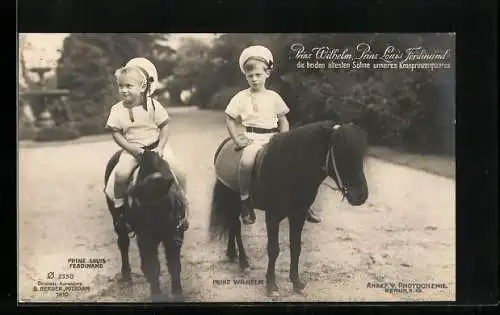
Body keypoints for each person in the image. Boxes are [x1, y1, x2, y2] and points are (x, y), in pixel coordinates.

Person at [225, 45, 321, 225]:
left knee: (296, 162)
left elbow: (283, 119)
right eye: (250, 76)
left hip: (274, 138)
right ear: (245, 76)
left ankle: (303, 202)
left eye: (258, 75)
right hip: (253, 138)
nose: (254, 79)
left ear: (267, 74)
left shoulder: (273, 97)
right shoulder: (241, 97)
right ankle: (245, 200)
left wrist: (285, 139)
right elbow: (229, 118)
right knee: (246, 161)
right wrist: (237, 138)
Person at [105, 57, 189, 232]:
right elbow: (116, 133)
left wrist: (161, 146)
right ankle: (121, 211)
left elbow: (165, 126)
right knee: (120, 175)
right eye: (121, 86)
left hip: (156, 147)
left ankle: (182, 207)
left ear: (143, 87)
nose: (124, 90)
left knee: (179, 170)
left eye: (129, 86)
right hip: (132, 150)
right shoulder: (117, 110)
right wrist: (131, 149)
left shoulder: (153, 105)